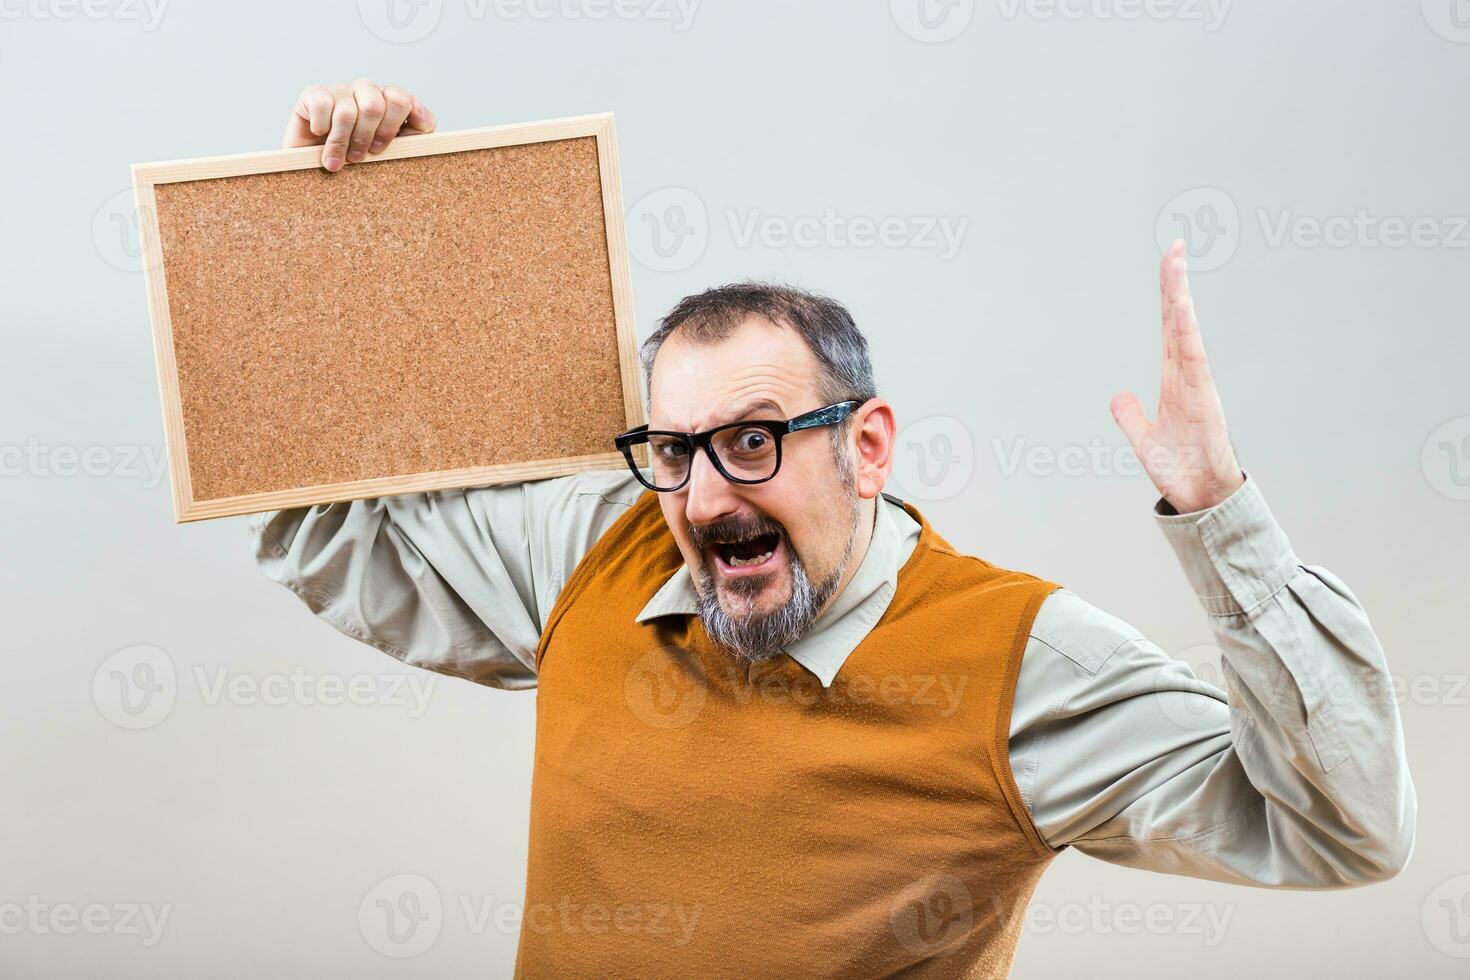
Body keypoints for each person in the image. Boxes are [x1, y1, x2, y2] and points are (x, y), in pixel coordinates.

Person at [256, 80, 1416, 978]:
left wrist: (1224, 519)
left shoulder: (1017, 664)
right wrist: (361, 221)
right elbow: (320, 521)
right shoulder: (596, 557)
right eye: (676, 450)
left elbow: (1346, 828)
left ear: (867, 446)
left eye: (755, 439)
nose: (707, 498)